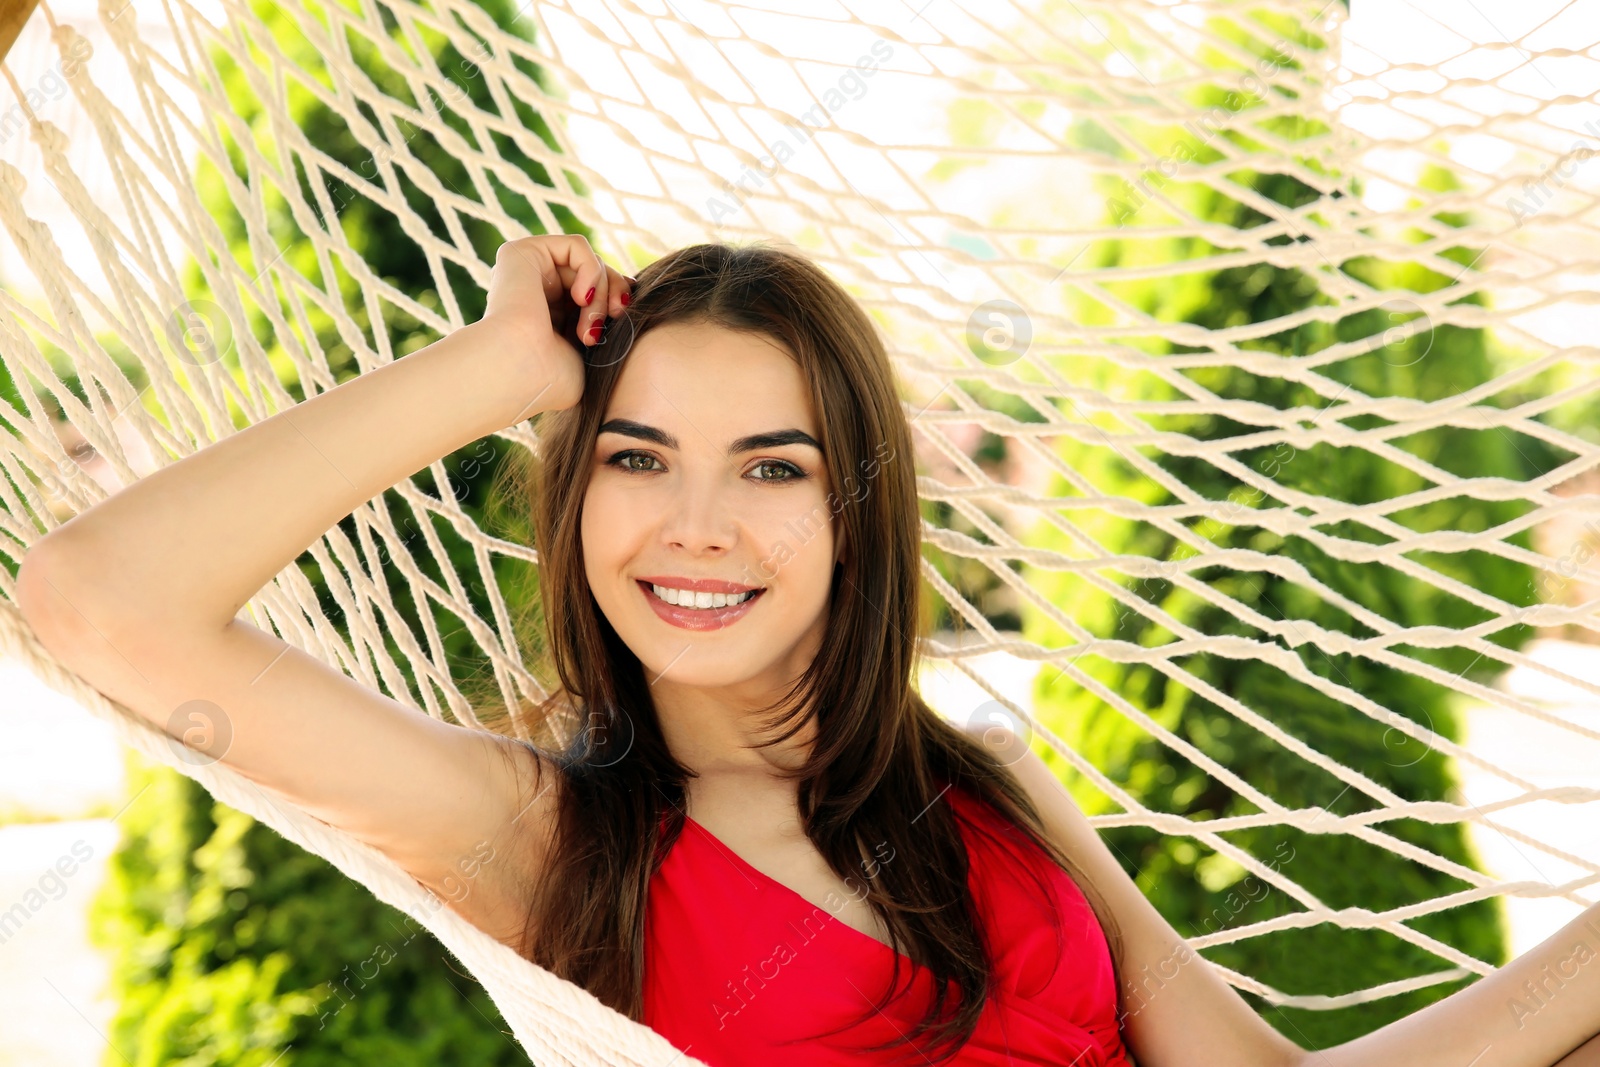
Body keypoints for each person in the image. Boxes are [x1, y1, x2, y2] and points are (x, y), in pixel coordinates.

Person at [17, 235, 1600, 1067]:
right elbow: (98, 602)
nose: (696, 524)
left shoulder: (985, 793)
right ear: (573, 500)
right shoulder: (537, 834)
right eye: (636, 459)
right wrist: (503, 365)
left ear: (856, 515)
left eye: (770, 468)